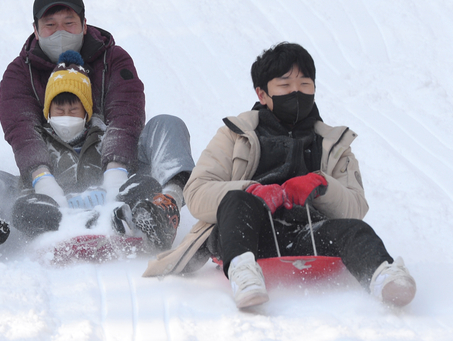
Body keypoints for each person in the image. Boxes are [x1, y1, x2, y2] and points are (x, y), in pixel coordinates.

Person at [142, 42, 416, 309]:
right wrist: (252, 190)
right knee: (237, 201)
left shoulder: (333, 143)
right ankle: (244, 275)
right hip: (244, 231)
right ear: (262, 94)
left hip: (305, 234)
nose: (296, 92)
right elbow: (196, 192)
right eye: (285, 85)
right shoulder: (235, 135)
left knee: (355, 230)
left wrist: (322, 185)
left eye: (304, 84)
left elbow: (355, 209)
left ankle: (385, 277)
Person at [0, 0, 194, 250]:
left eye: (69, 23)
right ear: (36, 29)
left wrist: (116, 173)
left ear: (84, 24)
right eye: (50, 25)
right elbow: (21, 128)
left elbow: (126, 114)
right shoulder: (20, 73)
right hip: (50, 179)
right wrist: (42, 178)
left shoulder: (112, 59)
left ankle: (164, 207)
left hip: (117, 170)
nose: (60, 32)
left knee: (167, 125)